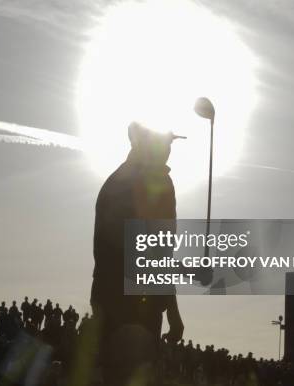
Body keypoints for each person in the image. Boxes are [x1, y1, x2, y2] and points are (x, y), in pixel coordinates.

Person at [90, 122, 200, 386]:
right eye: (165, 145)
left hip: (109, 299)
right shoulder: (156, 183)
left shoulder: (115, 181)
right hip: (138, 305)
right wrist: (172, 311)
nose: (169, 151)